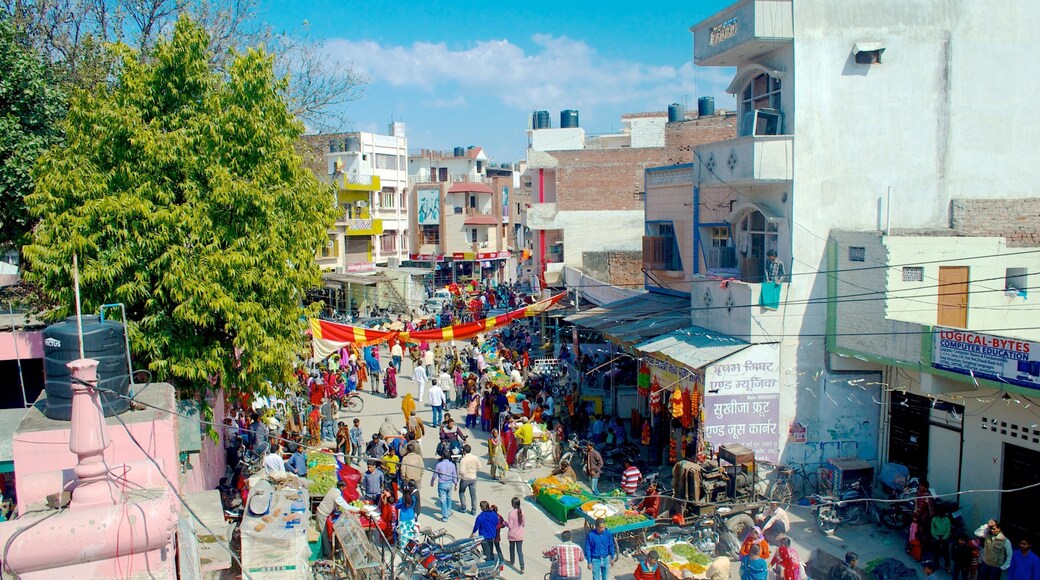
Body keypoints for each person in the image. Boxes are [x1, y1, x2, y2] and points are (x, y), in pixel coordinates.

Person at [316, 480, 352, 557]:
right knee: (324, 534)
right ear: (342, 487)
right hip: (322, 514)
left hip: (321, 512)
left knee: (323, 532)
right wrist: (360, 509)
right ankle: (328, 553)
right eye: (345, 487)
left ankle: (327, 550)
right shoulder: (337, 496)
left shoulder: (333, 489)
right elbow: (347, 507)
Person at [430, 452, 458, 522]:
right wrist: (455, 483)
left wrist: (432, 481)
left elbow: (435, 474)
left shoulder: (439, 465)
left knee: (443, 500)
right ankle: (448, 512)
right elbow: (454, 474)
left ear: (442, 456)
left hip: (442, 484)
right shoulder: (452, 465)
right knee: (449, 498)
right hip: (449, 483)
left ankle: (445, 516)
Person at [399, 443, 424, 513]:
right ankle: (416, 510)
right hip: (417, 479)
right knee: (416, 494)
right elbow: (422, 468)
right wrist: (420, 476)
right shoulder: (419, 457)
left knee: (407, 495)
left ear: (407, 450)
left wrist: (403, 478)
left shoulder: (405, 458)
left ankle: (407, 509)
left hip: (408, 480)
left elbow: (403, 470)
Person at [505, 496, 526, 573]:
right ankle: (522, 567)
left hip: (512, 535)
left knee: (511, 549)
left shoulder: (510, 514)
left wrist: (505, 523)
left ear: (513, 504)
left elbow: (510, 526)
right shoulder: (522, 512)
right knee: (519, 551)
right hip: (520, 535)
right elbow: (523, 523)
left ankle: (512, 561)